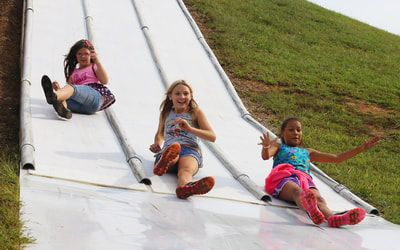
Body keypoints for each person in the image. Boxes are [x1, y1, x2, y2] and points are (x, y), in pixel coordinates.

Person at [259, 117, 380, 227]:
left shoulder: (307, 152)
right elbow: (266, 156)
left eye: (298, 130)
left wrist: (361, 149)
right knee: (298, 192)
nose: (295, 133)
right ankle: (311, 211)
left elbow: (337, 158)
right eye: (291, 130)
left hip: (305, 180)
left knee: (319, 200)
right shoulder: (279, 147)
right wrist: (266, 147)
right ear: (282, 134)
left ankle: (334, 218)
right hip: (284, 177)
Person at [149, 80, 216, 199]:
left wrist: (190, 129)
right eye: (178, 93)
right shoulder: (166, 113)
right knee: (174, 152)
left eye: (186, 94)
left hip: (190, 149)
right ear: (170, 96)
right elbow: (160, 133)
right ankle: (165, 161)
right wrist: (157, 143)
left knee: (186, 170)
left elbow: (212, 136)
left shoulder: (195, 112)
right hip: (171, 147)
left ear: (191, 96)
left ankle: (184, 188)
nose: (182, 97)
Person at [41, 39, 115, 119]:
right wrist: (59, 88)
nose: (83, 56)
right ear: (75, 56)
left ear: (91, 55)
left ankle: (55, 96)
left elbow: (105, 81)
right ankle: (64, 111)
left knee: (71, 88)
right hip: (83, 107)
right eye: (79, 54)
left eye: (86, 54)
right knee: (65, 97)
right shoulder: (73, 73)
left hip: (93, 98)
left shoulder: (94, 66)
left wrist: (97, 61)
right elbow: (68, 92)